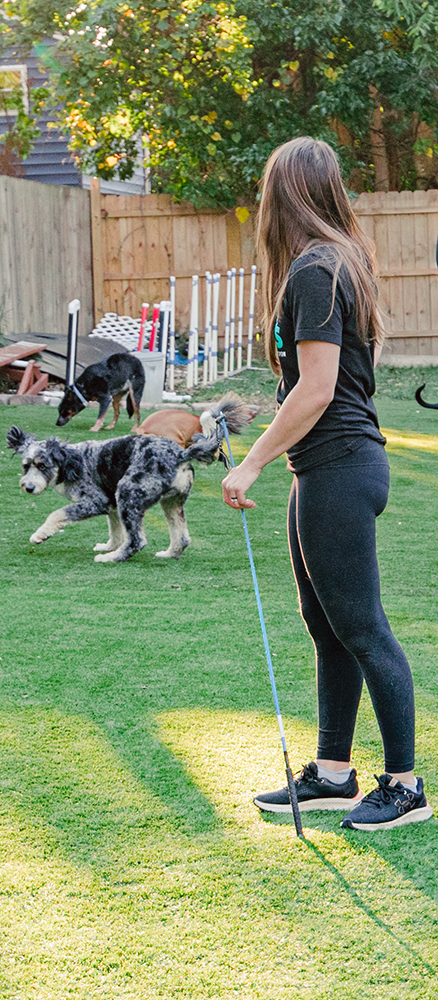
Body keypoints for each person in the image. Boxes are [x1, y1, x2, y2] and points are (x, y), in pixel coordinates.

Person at [222, 137, 430, 831]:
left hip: (339, 464)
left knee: (363, 628)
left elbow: (316, 390)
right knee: (328, 626)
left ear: (283, 195)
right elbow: (309, 385)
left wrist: (249, 461)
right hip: (325, 466)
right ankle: (334, 772)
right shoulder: (336, 261)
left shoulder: (316, 269)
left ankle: (404, 786)